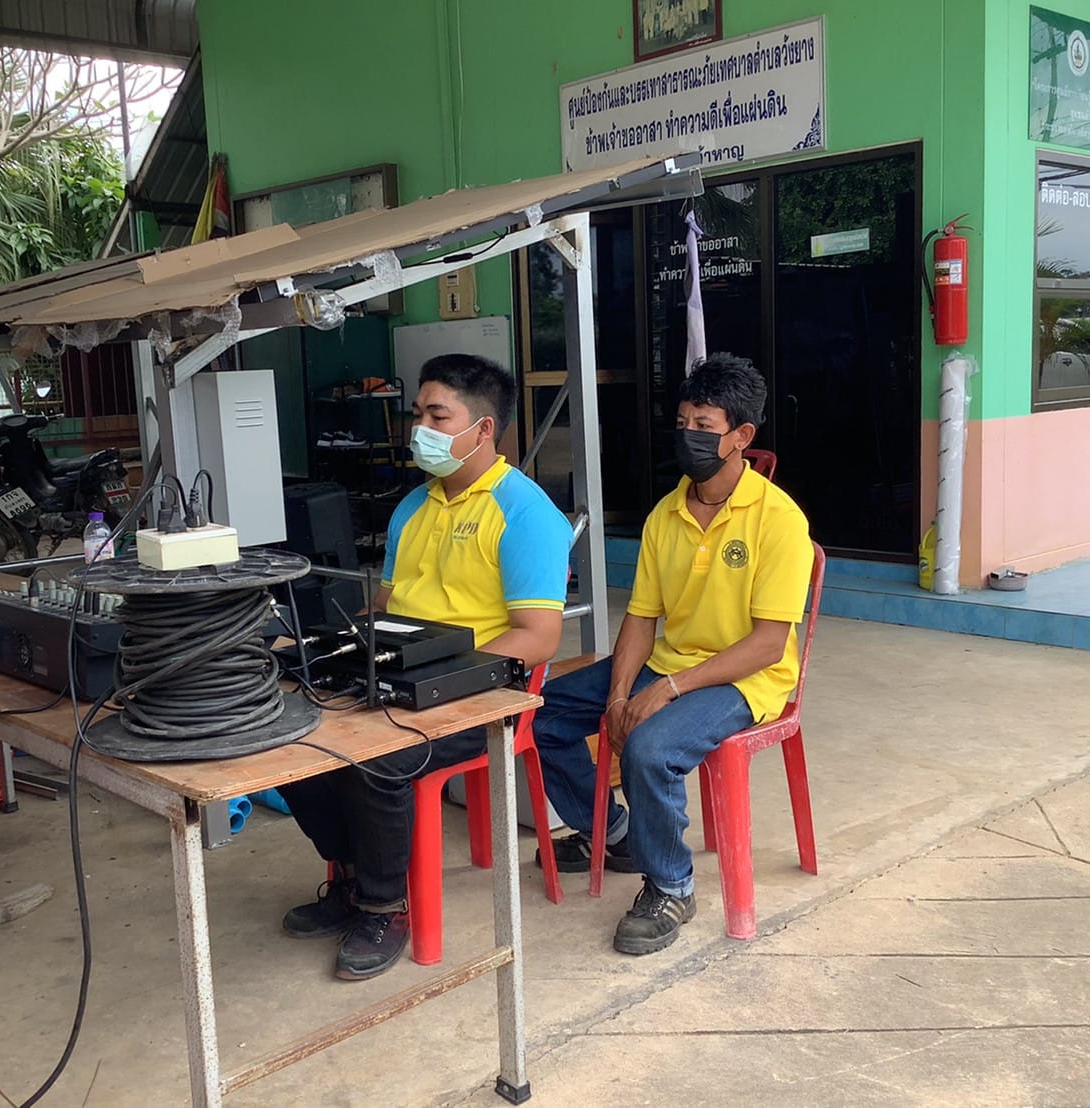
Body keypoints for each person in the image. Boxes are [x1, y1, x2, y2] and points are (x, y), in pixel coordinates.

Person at [280, 353, 572, 980]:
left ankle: (386, 906)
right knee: (288, 734)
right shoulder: (412, 505)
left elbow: (539, 637)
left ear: (483, 429)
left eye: (438, 417)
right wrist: (348, 651)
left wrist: (443, 673)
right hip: (401, 675)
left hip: (484, 693)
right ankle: (353, 875)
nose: (421, 430)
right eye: (418, 415)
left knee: (380, 758)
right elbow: (386, 605)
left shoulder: (526, 513)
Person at [532, 352, 813, 955]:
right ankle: (617, 833)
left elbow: (768, 644)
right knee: (542, 712)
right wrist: (617, 694)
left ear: (741, 437)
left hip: (745, 679)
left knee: (650, 748)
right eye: (683, 422)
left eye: (704, 426)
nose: (688, 436)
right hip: (670, 661)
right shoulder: (667, 514)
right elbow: (641, 617)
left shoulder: (778, 520)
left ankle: (671, 886)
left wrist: (667, 689)